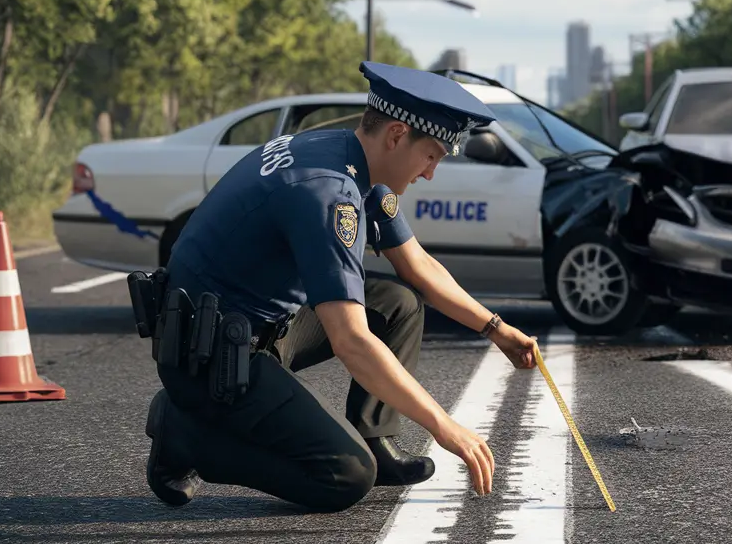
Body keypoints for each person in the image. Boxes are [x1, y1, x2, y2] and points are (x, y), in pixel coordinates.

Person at [135, 61, 540, 512]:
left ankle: (375, 437)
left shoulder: (346, 154)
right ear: (397, 135)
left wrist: (497, 329)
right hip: (211, 358)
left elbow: (418, 267)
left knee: (398, 303)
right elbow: (351, 340)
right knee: (344, 476)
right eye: (432, 156)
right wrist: (443, 427)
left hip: (254, 326)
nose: (430, 174)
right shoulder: (328, 191)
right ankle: (183, 434)